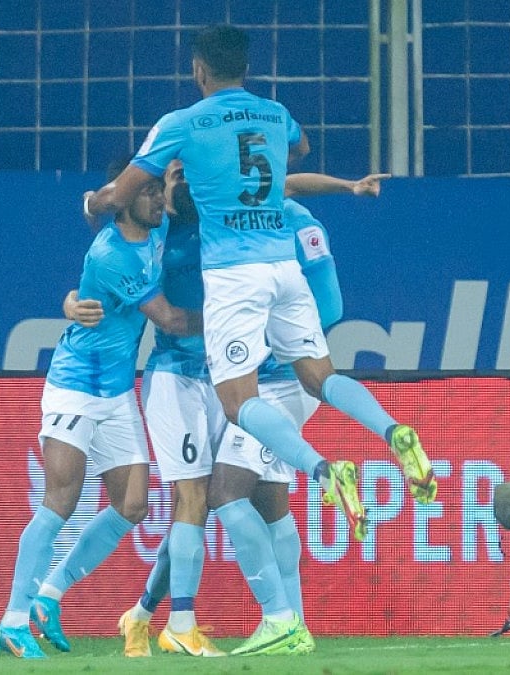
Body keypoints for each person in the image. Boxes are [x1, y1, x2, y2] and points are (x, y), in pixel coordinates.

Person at [83, 24, 435, 655]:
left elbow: (122, 191)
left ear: (198, 69)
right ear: (245, 65)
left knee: (238, 403)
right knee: (321, 378)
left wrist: (96, 200)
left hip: (237, 278)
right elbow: (294, 155)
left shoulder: (182, 123)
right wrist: (334, 181)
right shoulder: (274, 114)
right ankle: (391, 431)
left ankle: (323, 472)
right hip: (283, 268)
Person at [71, 169, 396, 657]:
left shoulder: (237, 215)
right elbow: (108, 269)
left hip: (241, 380)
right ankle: (188, 621)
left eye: (179, 179)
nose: (172, 189)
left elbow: (289, 185)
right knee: (209, 500)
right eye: (167, 181)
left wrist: (347, 188)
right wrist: (73, 300)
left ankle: (263, 621)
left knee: (224, 499)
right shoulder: (158, 230)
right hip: (182, 377)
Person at [0, 160, 201, 660]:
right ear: (125, 201)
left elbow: (105, 205)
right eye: (148, 192)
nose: (158, 200)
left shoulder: (157, 228)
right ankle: (12, 621)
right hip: (75, 387)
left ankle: (49, 596)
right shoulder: (112, 255)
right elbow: (170, 319)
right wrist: (237, 319)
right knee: (60, 499)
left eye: (157, 191)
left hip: (116, 392)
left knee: (133, 505)